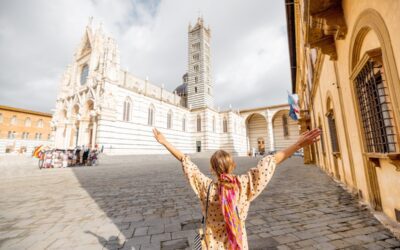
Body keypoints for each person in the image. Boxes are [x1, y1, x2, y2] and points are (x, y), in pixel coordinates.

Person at [153, 128, 321, 249]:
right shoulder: (243, 184)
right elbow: (270, 161)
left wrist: (165, 142)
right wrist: (298, 144)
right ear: (233, 165)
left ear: (212, 169)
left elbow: (186, 161)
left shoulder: (206, 187)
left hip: (212, 244)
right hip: (238, 243)